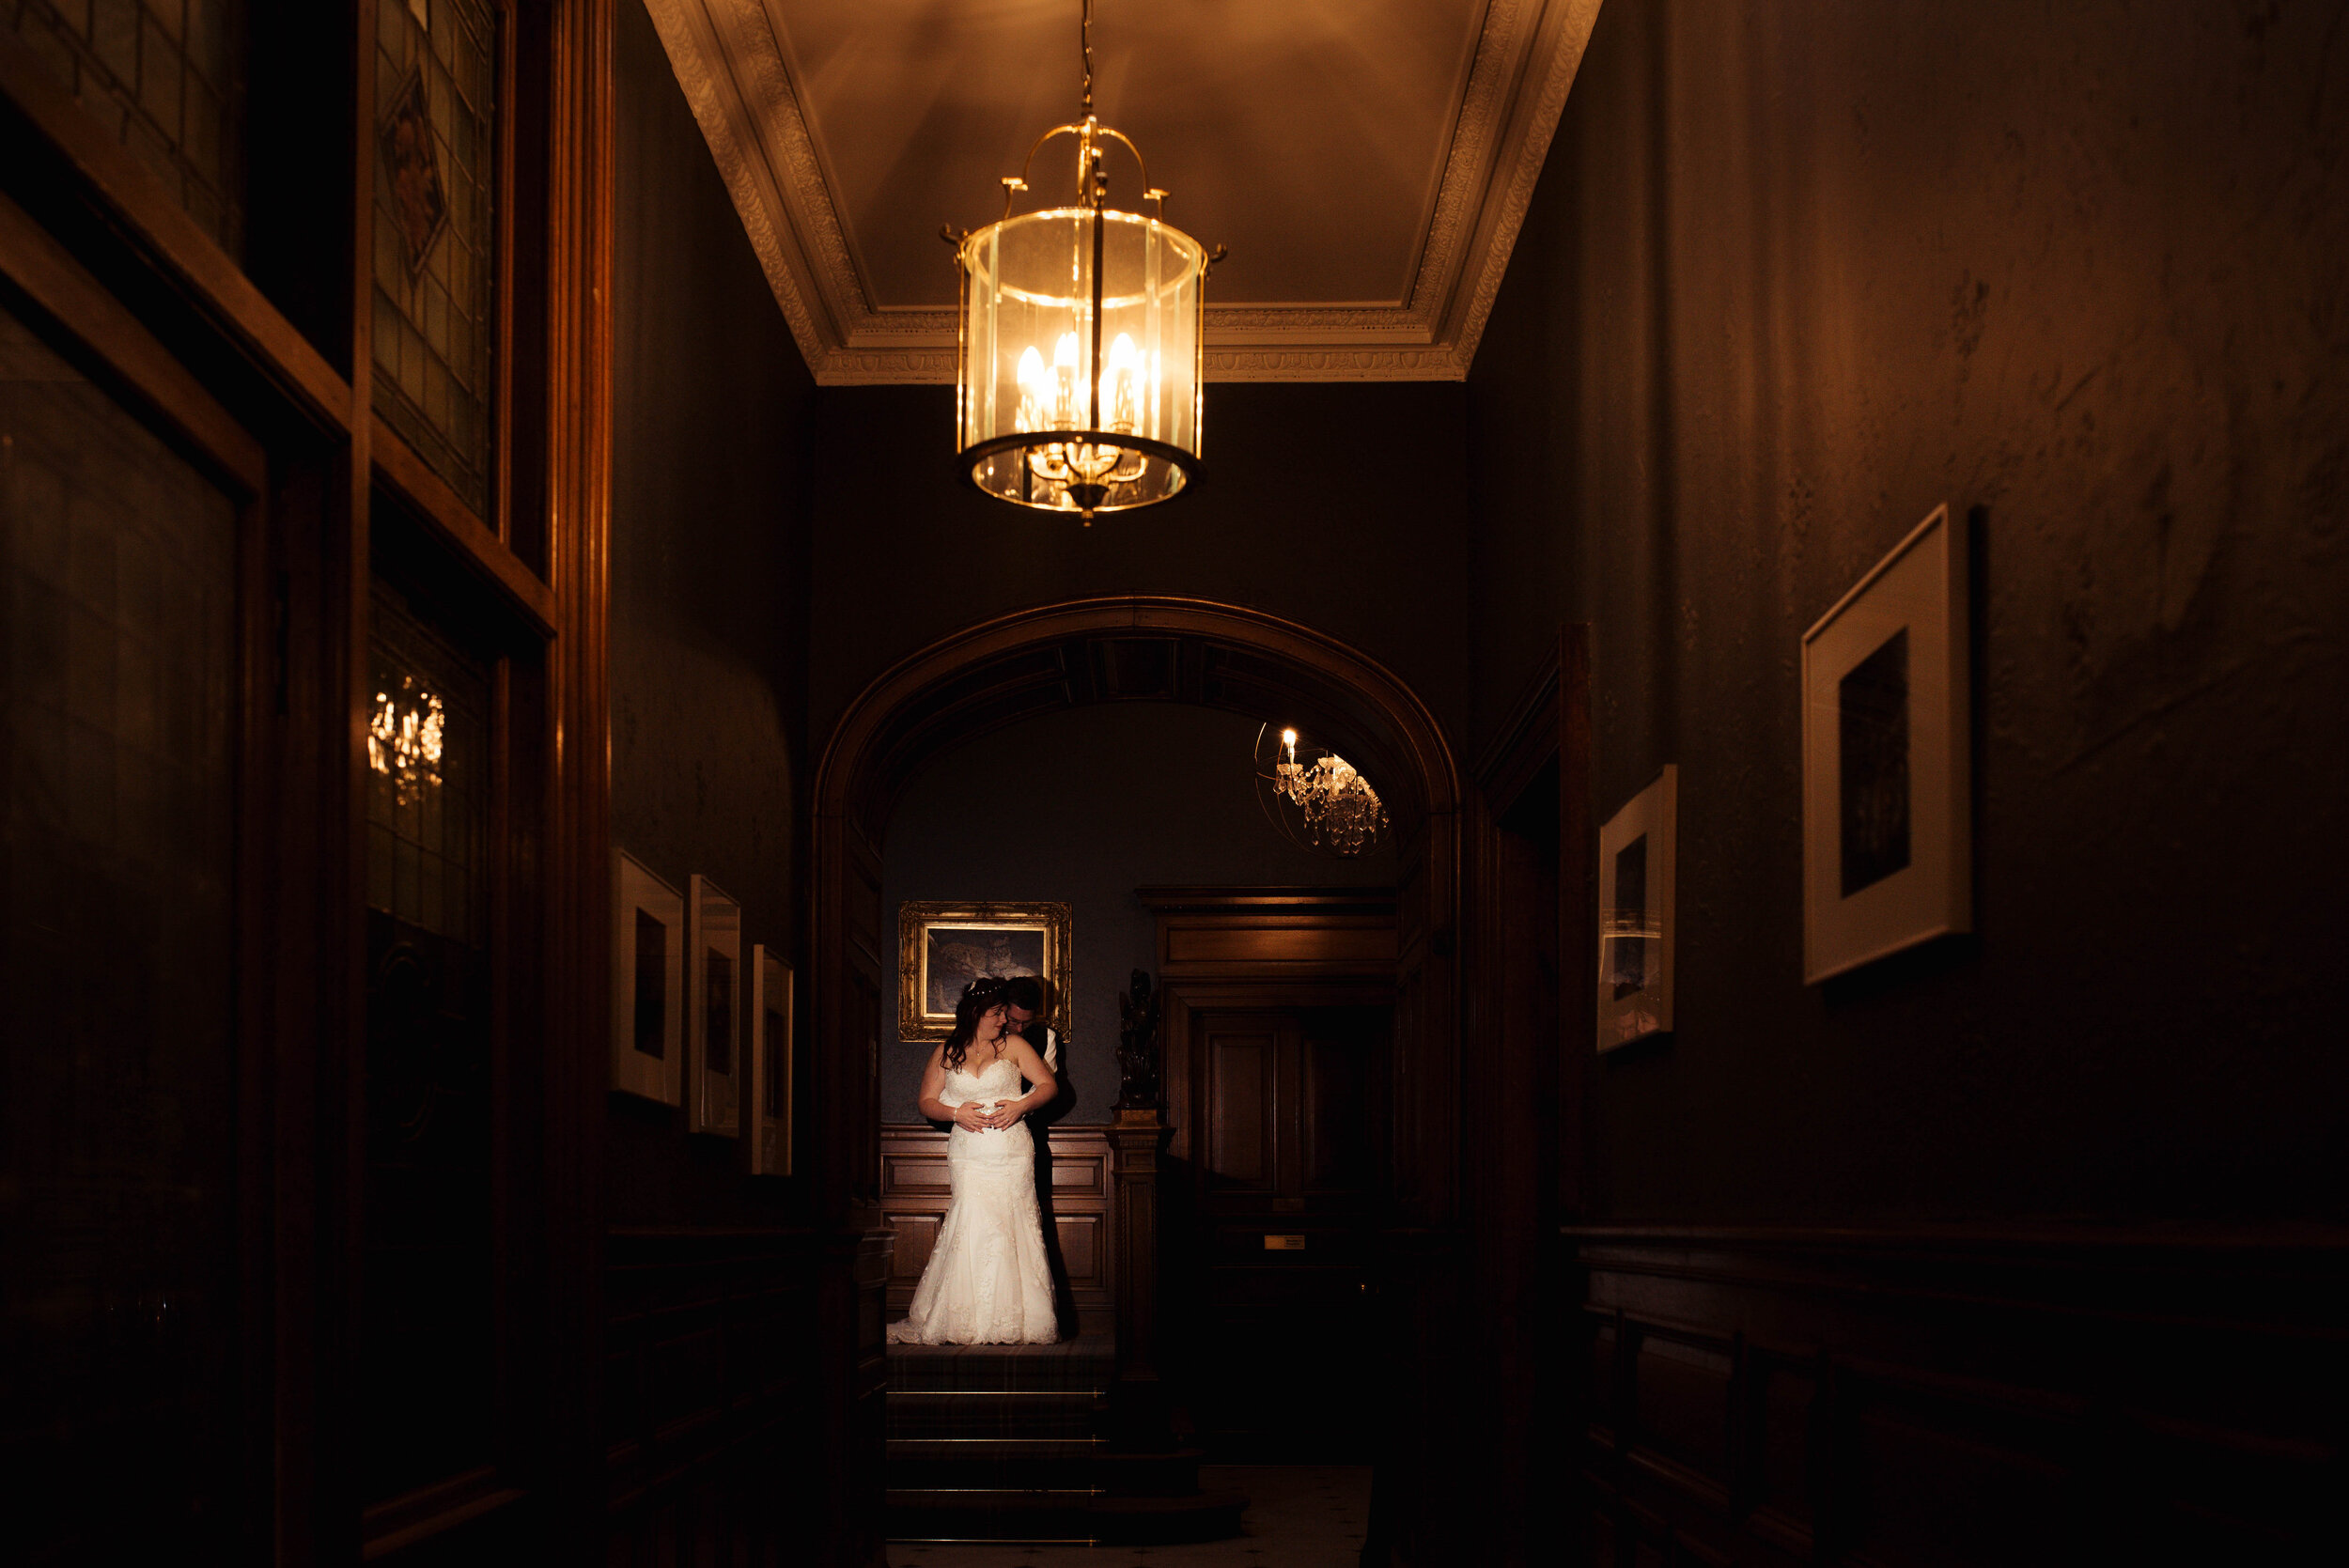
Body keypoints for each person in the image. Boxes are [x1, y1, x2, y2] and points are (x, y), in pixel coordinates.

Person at [886, 977, 1061, 1344]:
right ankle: (963, 1317)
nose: (1004, 1021)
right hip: (969, 1153)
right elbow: (927, 1101)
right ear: (977, 1013)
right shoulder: (947, 1051)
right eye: (998, 1013)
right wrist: (955, 1113)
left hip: (1011, 1151)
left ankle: (1018, 1319)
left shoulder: (1013, 1045)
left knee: (1012, 1224)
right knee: (972, 1221)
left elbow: (1048, 1087)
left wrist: (1021, 1106)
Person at [1001, 974, 1060, 1074]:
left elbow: (1047, 1082)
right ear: (1002, 1010)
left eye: (1027, 1022)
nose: (1020, 1029)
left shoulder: (1046, 1037)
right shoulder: (986, 1033)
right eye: (1014, 1021)